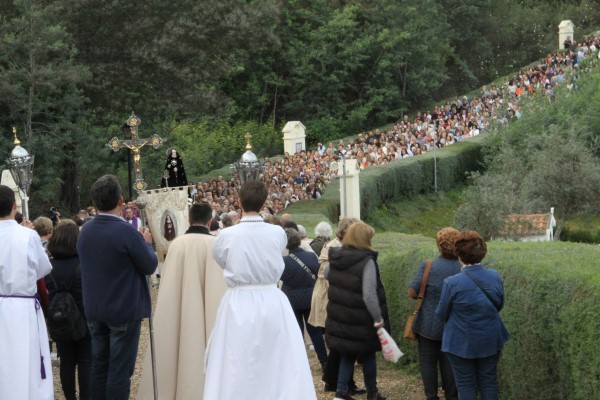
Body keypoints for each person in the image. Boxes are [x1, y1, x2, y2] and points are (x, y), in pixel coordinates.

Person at [204, 180, 316, 400]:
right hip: (270, 299)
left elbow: (221, 259)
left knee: (237, 358)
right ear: (264, 202)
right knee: (276, 358)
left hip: (239, 301)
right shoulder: (277, 232)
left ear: (239, 201)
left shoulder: (226, 235)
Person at [77, 175, 157, 400]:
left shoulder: (85, 231)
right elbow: (149, 265)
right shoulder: (126, 231)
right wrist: (146, 244)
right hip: (122, 309)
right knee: (120, 371)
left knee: (99, 366)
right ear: (121, 200)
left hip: (94, 309)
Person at [137, 203, 227, 399]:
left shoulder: (176, 244)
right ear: (210, 221)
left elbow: (169, 288)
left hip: (178, 313)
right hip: (207, 313)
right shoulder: (214, 245)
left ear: (188, 219)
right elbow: (217, 289)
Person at [435, 231, 510, 400]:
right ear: (482, 253)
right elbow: (499, 304)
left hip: (460, 342)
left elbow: (441, 314)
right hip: (490, 338)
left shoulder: (452, 283)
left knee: (465, 385)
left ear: (458, 255)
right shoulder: (494, 276)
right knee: (489, 383)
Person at [0, 184, 54, 399]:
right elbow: (43, 268)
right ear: (15, 206)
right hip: (23, 306)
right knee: (28, 357)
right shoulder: (28, 236)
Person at [326, 222, 389, 400]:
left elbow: (328, 275)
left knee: (348, 352)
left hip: (342, 314)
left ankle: (341, 391)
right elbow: (369, 294)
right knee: (368, 354)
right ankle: (372, 391)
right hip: (362, 317)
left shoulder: (337, 257)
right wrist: (378, 318)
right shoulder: (366, 260)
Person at [308, 218, 365, 395]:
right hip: (333, 299)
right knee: (343, 343)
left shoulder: (341, 246)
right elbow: (330, 276)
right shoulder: (335, 247)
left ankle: (335, 381)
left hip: (335, 298)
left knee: (340, 344)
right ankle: (341, 383)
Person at [407, 227, 461, 400]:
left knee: (428, 362)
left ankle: (431, 396)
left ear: (439, 245)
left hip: (428, 324)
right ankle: (452, 396)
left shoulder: (429, 265)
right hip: (454, 325)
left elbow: (412, 291)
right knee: (450, 363)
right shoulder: (463, 267)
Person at [45, 221, 91, 400]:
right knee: (86, 361)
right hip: (83, 318)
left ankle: (70, 397)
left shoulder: (49, 266)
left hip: (59, 320)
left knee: (66, 361)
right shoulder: (84, 263)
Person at [281, 227, 328, 369]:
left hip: (291, 299)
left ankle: (298, 364)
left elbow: (281, 277)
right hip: (310, 298)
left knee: (296, 332)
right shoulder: (311, 256)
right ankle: (324, 361)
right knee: (315, 332)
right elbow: (317, 272)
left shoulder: (283, 261)